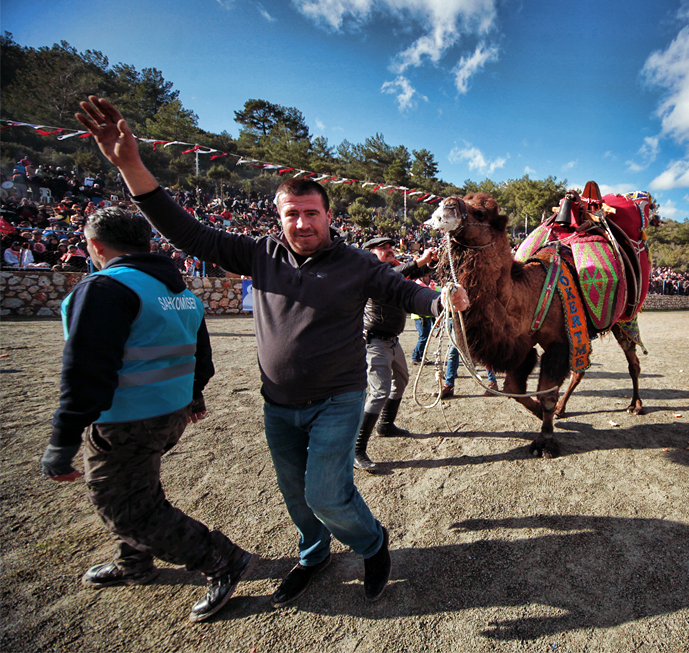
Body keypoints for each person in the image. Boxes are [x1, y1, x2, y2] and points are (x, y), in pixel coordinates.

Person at [74, 96, 469, 610]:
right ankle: (313, 554)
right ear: (277, 217)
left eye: (312, 214)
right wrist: (130, 164)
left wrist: (439, 299)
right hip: (278, 403)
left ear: (329, 216)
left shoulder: (356, 264)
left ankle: (373, 544)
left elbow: (404, 291)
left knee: (326, 492)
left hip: (338, 398)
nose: (303, 223)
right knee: (295, 497)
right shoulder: (257, 253)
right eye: (292, 215)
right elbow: (185, 230)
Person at [38, 207, 254, 623]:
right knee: (138, 489)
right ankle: (132, 564)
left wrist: (62, 439)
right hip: (170, 413)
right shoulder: (178, 291)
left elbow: (85, 369)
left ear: (96, 246)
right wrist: (194, 397)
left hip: (125, 419)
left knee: (125, 508)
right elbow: (201, 356)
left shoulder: (105, 288)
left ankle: (221, 558)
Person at [355, 236, 438, 472]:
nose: (390, 251)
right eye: (384, 249)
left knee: (400, 382)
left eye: (391, 248)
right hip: (375, 342)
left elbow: (410, 278)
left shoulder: (393, 273)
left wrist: (428, 262)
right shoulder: (371, 273)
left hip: (391, 341)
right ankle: (356, 448)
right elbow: (399, 274)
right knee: (380, 390)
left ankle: (386, 425)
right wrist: (420, 261)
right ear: (370, 254)